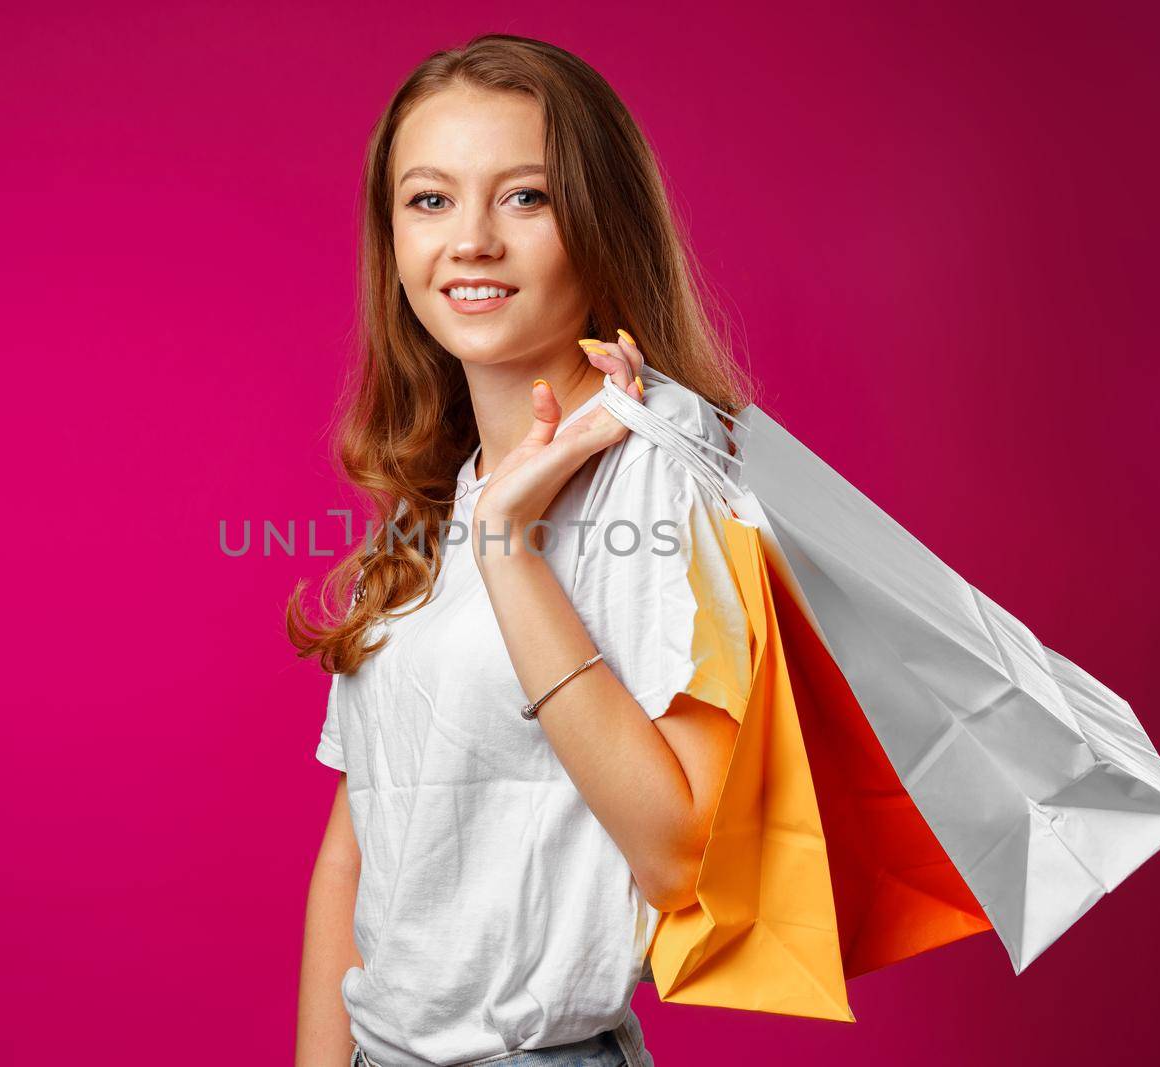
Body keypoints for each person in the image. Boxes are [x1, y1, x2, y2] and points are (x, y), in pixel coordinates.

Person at [291, 34, 757, 1067]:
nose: (469, 242)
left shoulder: (666, 471)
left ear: (600, 224)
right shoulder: (436, 485)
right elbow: (359, 843)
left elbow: (678, 851)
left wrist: (510, 552)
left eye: (524, 198)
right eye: (429, 200)